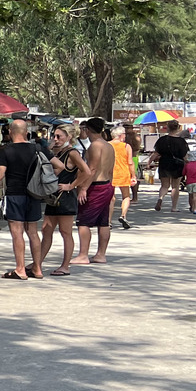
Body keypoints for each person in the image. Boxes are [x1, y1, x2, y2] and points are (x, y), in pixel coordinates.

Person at [0, 118, 48, 280]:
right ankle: (37, 268)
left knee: (17, 232)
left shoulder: (7, 151)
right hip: (34, 195)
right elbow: (57, 166)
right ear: (26, 132)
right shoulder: (38, 148)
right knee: (33, 232)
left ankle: (20, 269)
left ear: (10, 132)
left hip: (15, 194)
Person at [38, 125, 86, 276]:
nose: (56, 139)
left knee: (65, 232)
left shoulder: (72, 153)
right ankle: (37, 262)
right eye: (55, 136)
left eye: (60, 136)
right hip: (53, 196)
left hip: (65, 197)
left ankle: (65, 265)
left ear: (69, 137)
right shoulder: (57, 153)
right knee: (46, 230)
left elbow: (87, 171)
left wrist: (71, 186)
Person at [76, 117, 115, 264]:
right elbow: (110, 169)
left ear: (88, 130)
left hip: (96, 186)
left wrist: (83, 188)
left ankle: (83, 255)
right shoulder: (108, 146)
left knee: (83, 221)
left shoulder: (95, 146)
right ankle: (101, 254)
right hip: (107, 184)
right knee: (103, 222)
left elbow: (92, 169)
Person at [153, 121, 190, 212]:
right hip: (177, 165)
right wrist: (188, 163)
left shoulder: (162, 140)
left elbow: (156, 153)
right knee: (175, 186)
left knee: (164, 186)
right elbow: (185, 156)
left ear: (168, 128)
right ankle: (174, 207)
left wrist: (149, 162)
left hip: (164, 163)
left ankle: (161, 198)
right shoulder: (181, 141)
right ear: (178, 128)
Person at [108, 125, 135, 230]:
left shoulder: (107, 145)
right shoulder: (126, 146)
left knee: (111, 198)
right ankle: (123, 215)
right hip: (123, 173)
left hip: (110, 174)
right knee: (126, 196)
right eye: (124, 134)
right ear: (120, 135)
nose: (125, 136)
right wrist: (133, 176)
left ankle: (108, 221)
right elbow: (130, 162)